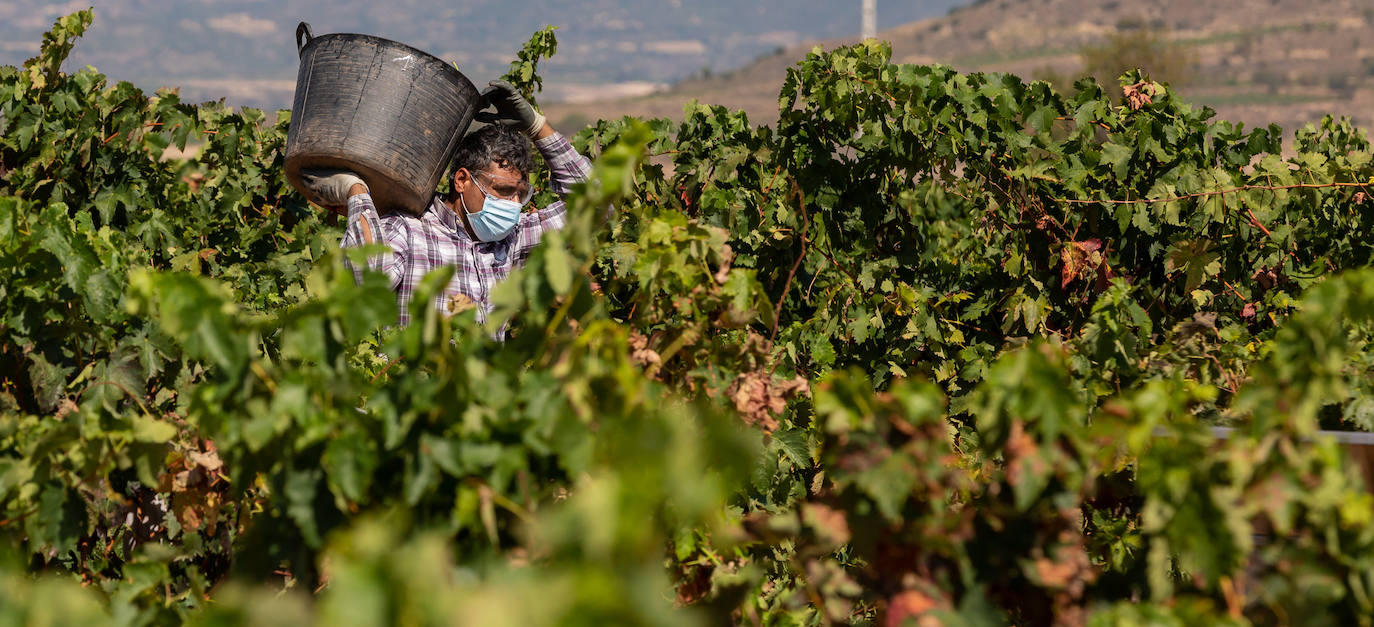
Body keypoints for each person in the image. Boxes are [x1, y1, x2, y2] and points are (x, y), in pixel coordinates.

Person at [300, 81, 592, 334]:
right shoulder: (410, 229)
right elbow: (365, 280)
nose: (513, 205)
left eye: (521, 194)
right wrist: (356, 191)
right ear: (462, 180)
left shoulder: (512, 240)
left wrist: (538, 127)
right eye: (503, 191)